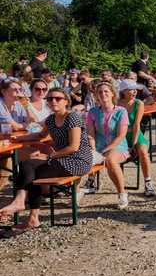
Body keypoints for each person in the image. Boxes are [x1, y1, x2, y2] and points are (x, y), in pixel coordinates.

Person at [0, 88, 93, 232]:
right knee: (27, 164)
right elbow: (39, 136)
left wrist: (48, 156)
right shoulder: (51, 119)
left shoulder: (72, 118)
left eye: (57, 98)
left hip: (78, 160)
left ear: (66, 101)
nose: (53, 101)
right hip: (63, 158)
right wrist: (17, 138)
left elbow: (73, 147)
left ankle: (28, 212)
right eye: (50, 99)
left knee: (31, 168)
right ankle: (27, 210)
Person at [86, 81, 131, 209]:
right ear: (96, 95)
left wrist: (104, 149)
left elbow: (120, 136)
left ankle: (122, 193)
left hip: (117, 145)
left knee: (110, 159)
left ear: (112, 93)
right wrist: (94, 150)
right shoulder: (93, 112)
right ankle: (80, 190)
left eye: (106, 91)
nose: (103, 94)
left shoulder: (121, 111)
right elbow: (90, 134)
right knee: (79, 156)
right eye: (100, 92)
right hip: (98, 144)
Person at [117, 79, 156, 196]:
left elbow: (136, 125)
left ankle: (148, 182)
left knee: (143, 151)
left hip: (135, 134)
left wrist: (133, 144)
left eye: (135, 90)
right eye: (132, 89)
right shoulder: (116, 103)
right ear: (123, 91)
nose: (135, 92)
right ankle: (91, 181)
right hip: (120, 136)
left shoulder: (139, 103)